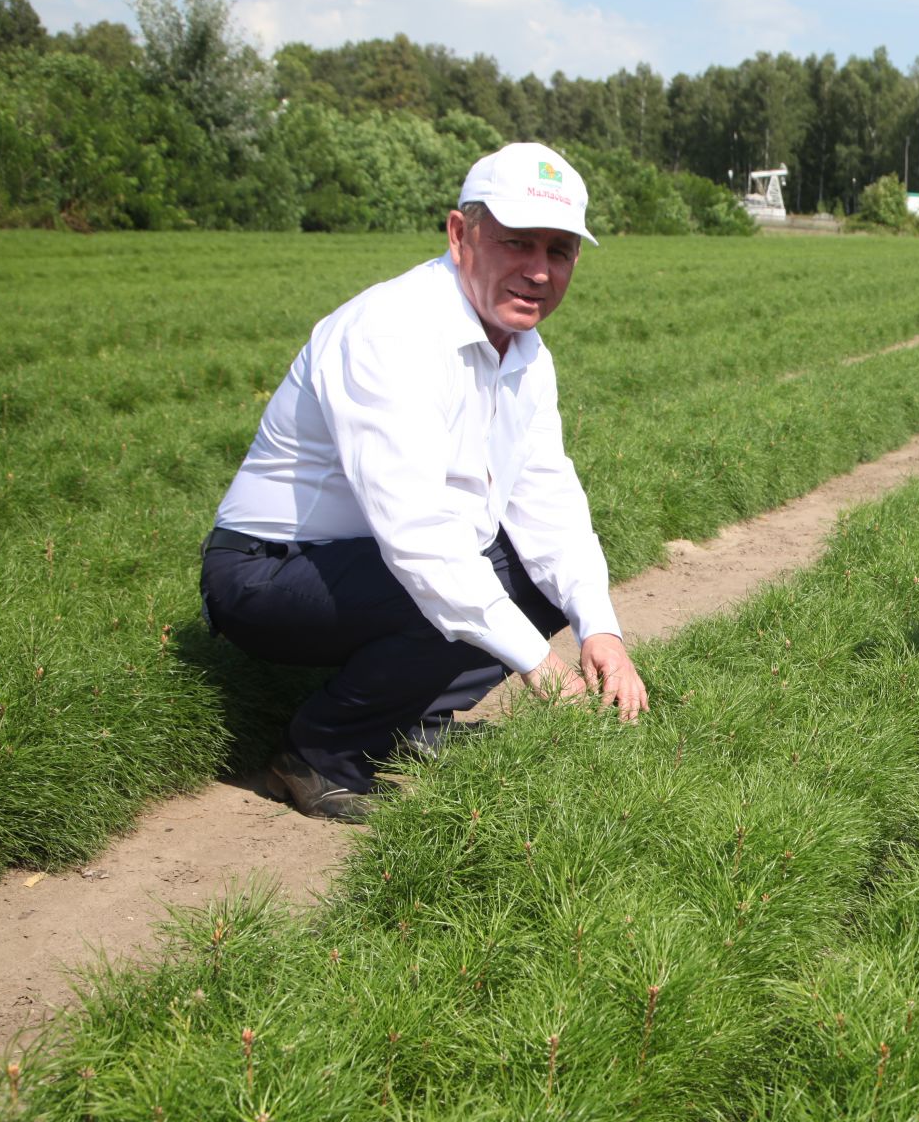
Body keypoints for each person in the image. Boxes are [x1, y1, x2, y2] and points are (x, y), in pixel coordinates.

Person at [200, 142, 648, 823]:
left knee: (533, 573)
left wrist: (601, 628)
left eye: (558, 251)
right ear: (460, 234)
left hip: (364, 566)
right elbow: (416, 539)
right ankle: (319, 754)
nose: (537, 271)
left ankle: (402, 725)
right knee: (464, 580)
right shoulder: (392, 331)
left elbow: (546, 496)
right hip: (268, 573)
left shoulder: (525, 351)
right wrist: (536, 662)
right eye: (516, 243)